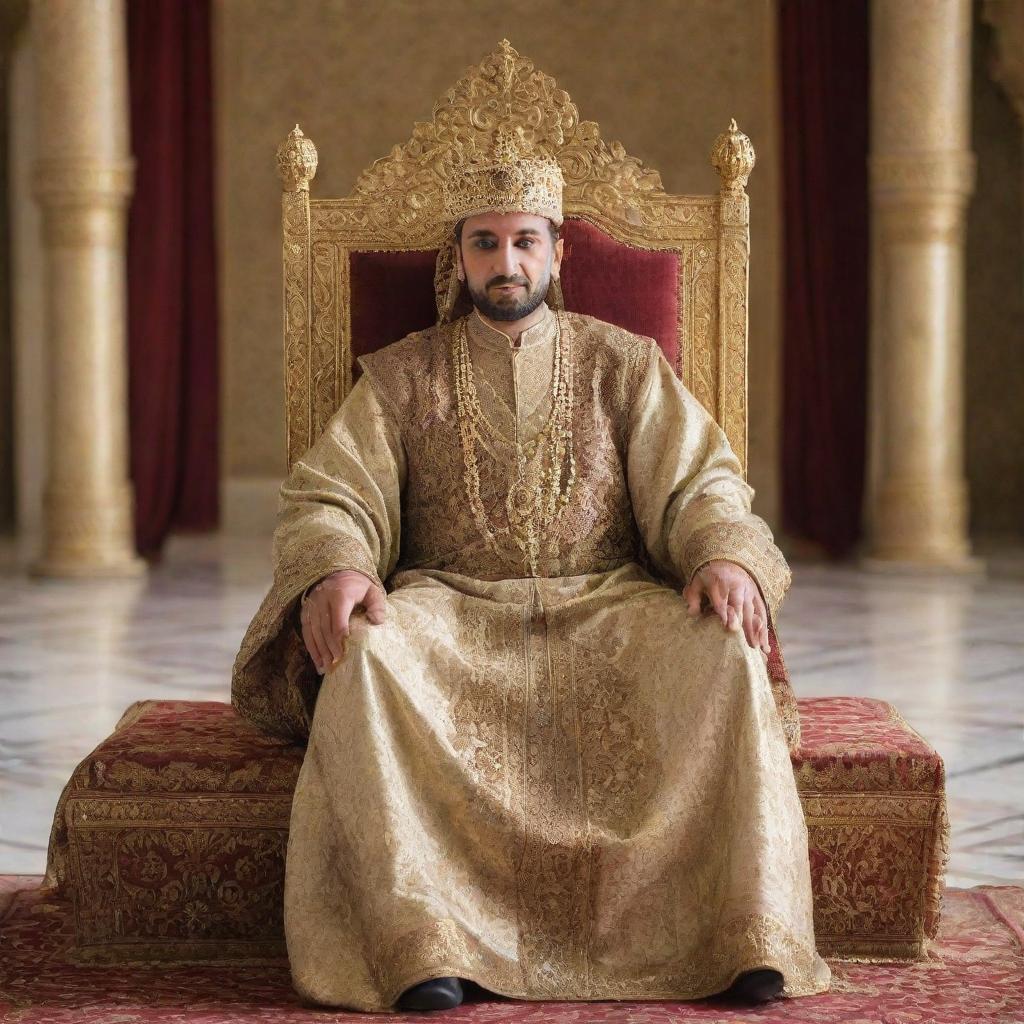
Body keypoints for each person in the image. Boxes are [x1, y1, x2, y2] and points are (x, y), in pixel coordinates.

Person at [231, 126, 832, 1012]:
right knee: (365, 658)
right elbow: (332, 493)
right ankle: (421, 948)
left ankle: (740, 937)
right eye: (485, 242)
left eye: (523, 241)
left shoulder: (625, 365)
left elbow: (701, 481)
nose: (505, 262)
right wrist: (340, 567)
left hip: (610, 606)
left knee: (721, 651)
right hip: (453, 614)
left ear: (558, 249)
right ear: (461, 255)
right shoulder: (400, 377)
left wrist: (719, 552)